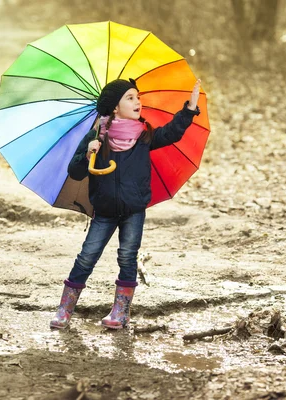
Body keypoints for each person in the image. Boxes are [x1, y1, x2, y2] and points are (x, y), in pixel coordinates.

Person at [50, 77, 202, 330]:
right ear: (114, 108)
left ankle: (120, 312)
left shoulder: (145, 135)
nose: (137, 102)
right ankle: (65, 310)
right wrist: (89, 152)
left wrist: (189, 109)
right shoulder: (97, 136)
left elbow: (172, 132)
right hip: (105, 210)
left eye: (138, 97)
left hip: (133, 209)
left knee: (127, 257)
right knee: (87, 257)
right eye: (130, 98)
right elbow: (76, 172)